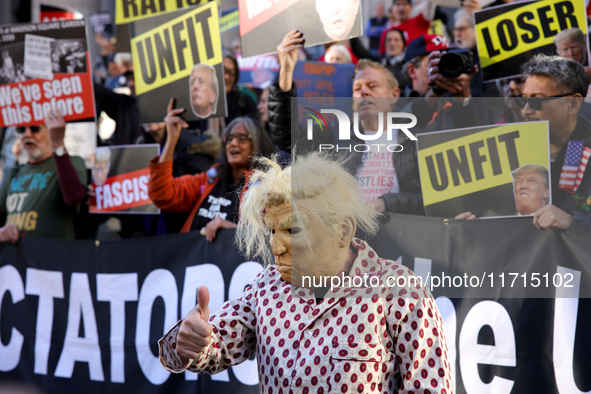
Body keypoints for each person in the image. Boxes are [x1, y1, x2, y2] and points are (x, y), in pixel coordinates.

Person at [157, 153, 453, 394]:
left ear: (343, 230)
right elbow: (215, 345)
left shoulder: (400, 291)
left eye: (293, 229)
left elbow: (430, 388)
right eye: (272, 230)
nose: (275, 245)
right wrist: (189, 344)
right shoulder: (266, 287)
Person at [269, 31, 424, 215]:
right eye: (357, 88)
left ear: (394, 95)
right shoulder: (336, 134)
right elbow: (289, 138)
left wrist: (388, 203)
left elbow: (432, 202)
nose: (364, 92)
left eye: (373, 86)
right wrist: (286, 72)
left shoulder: (416, 139)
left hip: (399, 238)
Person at [458, 55, 591, 232]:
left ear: (572, 103)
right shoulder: (504, 151)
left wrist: (573, 223)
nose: (525, 110)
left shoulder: (584, 153)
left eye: (536, 101)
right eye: (522, 100)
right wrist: (472, 225)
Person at [148, 100, 275, 241]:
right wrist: (171, 139)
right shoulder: (210, 179)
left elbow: (270, 237)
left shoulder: (267, 189)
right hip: (193, 259)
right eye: (229, 138)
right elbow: (161, 194)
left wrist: (232, 230)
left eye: (242, 138)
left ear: (258, 144)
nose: (233, 143)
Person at [0, 110, 87, 242]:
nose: (27, 134)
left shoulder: (72, 162)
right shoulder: (14, 173)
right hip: (17, 259)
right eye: (21, 129)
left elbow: (74, 197)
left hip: (53, 257)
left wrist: (58, 145)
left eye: (35, 129)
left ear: (50, 131)